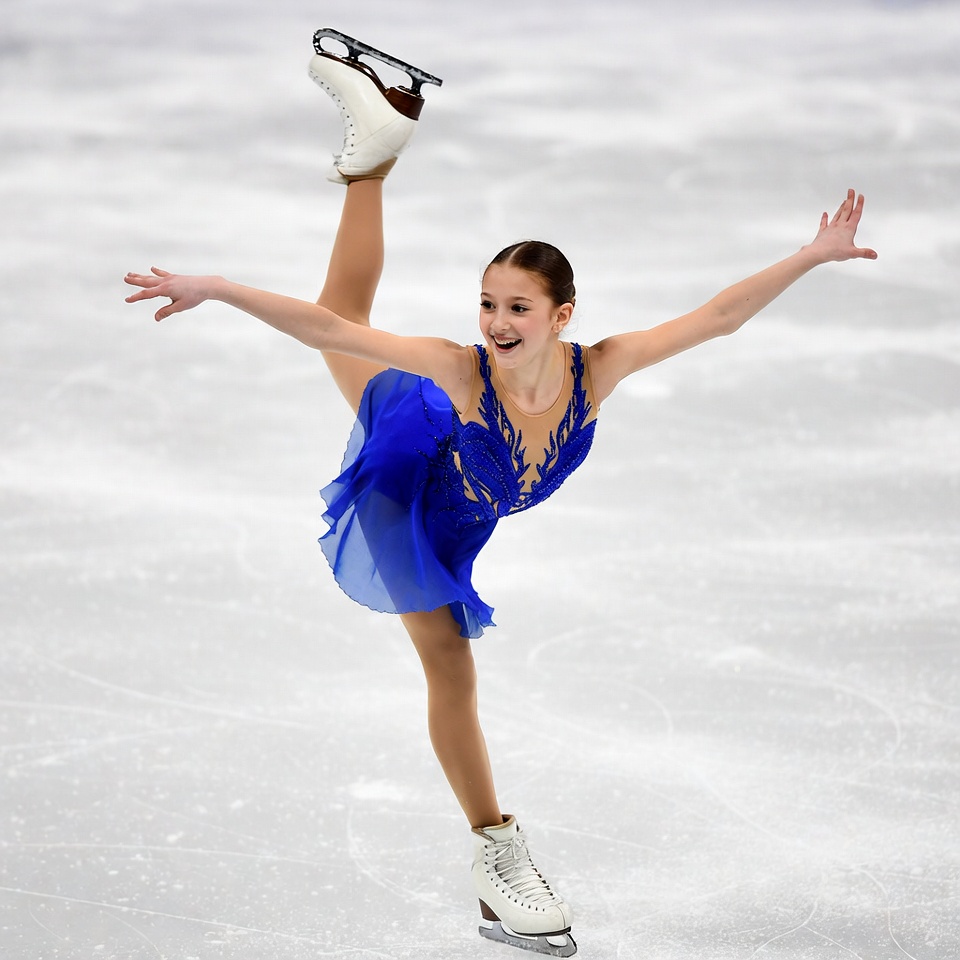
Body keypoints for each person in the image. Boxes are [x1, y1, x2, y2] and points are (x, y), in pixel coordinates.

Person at [124, 30, 877, 958]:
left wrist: (809, 257)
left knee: (345, 335)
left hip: (462, 504)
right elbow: (317, 320)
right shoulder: (461, 369)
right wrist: (218, 287)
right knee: (448, 653)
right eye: (488, 304)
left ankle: (374, 151)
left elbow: (715, 319)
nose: (496, 322)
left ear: (562, 317)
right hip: (410, 484)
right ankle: (495, 848)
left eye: (517, 308)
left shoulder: (598, 371)